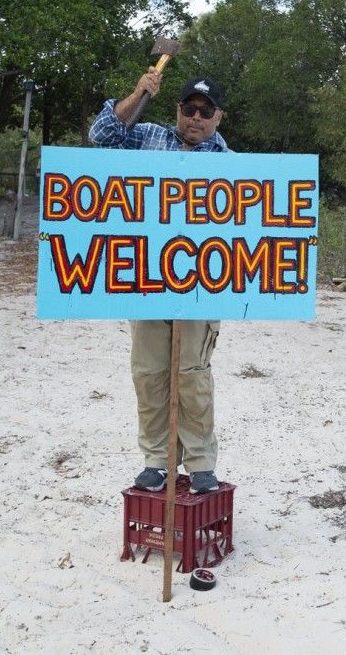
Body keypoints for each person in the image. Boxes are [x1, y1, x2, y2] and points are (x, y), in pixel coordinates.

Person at [89, 68, 231, 494]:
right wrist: (136, 93)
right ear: (178, 110)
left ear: (218, 118)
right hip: (146, 279)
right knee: (149, 373)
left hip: (201, 287)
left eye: (206, 112)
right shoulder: (145, 134)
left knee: (192, 373)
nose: (197, 117)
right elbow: (101, 135)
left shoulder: (233, 166)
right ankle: (157, 459)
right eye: (190, 108)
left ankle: (201, 461)